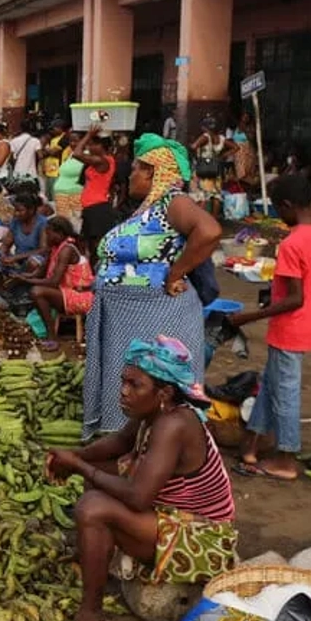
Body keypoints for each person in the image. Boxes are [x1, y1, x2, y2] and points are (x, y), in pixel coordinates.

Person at [46, 336, 237, 621]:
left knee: (92, 507)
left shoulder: (175, 424)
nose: (123, 390)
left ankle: (89, 614)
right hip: (171, 512)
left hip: (204, 536)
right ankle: (96, 555)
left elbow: (137, 498)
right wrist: (78, 456)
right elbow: (120, 442)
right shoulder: (156, 412)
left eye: (135, 385)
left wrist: (79, 466)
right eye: (124, 381)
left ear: (163, 393)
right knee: (98, 476)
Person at [84, 134, 221, 437]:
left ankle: (158, 453)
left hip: (156, 315)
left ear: (152, 171)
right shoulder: (148, 209)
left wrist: (175, 274)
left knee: (153, 389)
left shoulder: (174, 201)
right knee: (135, 388)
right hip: (130, 318)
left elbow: (209, 231)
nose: (130, 174)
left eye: (135, 168)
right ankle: (134, 445)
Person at [227, 175, 311, 480]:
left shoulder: (291, 243)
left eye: (277, 210)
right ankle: (251, 443)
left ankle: (287, 458)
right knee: (271, 384)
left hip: (291, 327)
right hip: (309, 322)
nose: (277, 216)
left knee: (285, 392)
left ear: (288, 206)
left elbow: (294, 299)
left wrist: (246, 318)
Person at [16, 217, 95, 350]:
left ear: (59, 233)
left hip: (80, 296)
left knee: (37, 292)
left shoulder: (67, 250)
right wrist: (20, 276)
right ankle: (49, 332)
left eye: (48, 233)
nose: (46, 236)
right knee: (35, 290)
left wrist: (26, 280)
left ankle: (52, 335)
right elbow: (38, 273)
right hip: (67, 293)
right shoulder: (55, 248)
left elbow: (53, 282)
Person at [73, 126, 116, 257]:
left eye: (93, 145)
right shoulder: (97, 161)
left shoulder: (102, 160)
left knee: (96, 246)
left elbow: (77, 154)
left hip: (98, 208)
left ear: (101, 146)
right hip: (92, 207)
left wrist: (88, 135)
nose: (89, 148)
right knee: (90, 246)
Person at [0, 192, 47, 280]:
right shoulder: (16, 221)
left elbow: (43, 250)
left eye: (20, 210)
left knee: (34, 262)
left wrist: (15, 257)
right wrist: (3, 254)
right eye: (15, 210)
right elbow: (6, 243)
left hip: (33, 262)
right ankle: (1, 289)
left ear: (31, 210)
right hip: (17, 260)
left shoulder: (43, 223)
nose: (16, 214)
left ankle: (19, 286)